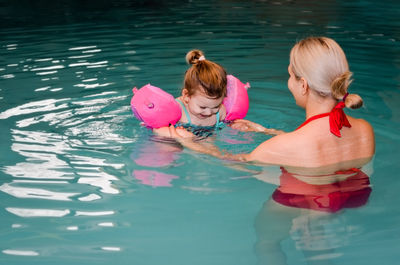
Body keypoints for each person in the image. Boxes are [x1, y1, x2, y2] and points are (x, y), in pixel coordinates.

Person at [169, 37, 375, 168]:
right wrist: (264, 130)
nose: (289, 82)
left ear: (303, 85)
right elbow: (324, 146)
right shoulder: (366, 131)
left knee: (266, 238)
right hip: (355, 202)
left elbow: (230, 161)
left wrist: (187, 141)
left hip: (301, 206)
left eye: (290, 75)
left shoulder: (282, 147)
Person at [154, 49, 228, 137]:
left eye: (216, 106)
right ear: (186, 96)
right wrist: (177, 135)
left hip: (206, 138)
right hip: (179, 139)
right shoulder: (177, 109)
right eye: (202, 107)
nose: (208, 112)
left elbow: (227, 126)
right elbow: (156, 129)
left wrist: (237, 124)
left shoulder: (221, 112)